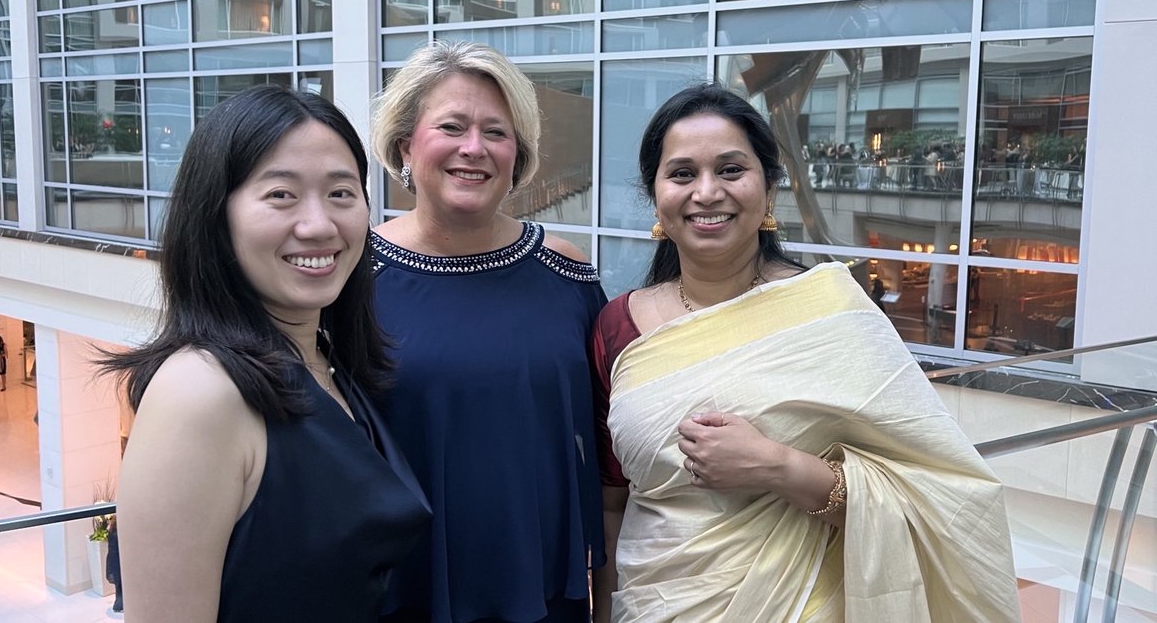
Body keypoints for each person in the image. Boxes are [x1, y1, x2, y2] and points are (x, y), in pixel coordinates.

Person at [590, 83, 1019, 621]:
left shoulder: (831, 310)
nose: (706, 192)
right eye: (682, 173)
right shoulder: (617, 326)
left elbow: (941, 500)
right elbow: (612, 502)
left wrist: (777, 466)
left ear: (768, 189)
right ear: (656, 195)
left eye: (730, 170)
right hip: (653, 601)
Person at [101, 85, 430, 622]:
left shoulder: (325, 362)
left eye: (342, 193)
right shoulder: (200, 392)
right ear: (216, 216)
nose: (319, 225)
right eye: (281, 194)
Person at [369, 41, 606, 622]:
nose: (473, 148)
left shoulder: (565, 269)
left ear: (517, 154)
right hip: (402, 592)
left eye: (495, 132)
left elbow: (609, 434)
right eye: (452, 126)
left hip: (545, 589)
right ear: (406, 145)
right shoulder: (352, 277)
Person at [105, 515, 123, 614]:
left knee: (119, 582)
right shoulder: (116, 532)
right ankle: (120, 601)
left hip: (114, 559)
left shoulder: (112, 531)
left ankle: (119, 601)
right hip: (118, 560)